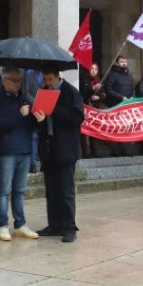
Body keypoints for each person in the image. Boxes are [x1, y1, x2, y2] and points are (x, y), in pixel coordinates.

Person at [33, 64, 84, 243]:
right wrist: (39, 118)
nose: (48, 83)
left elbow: (78, 117)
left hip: (66, 148)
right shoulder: (43, 92)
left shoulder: (70, 92)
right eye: (45, 80)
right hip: (49, 148)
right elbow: (39, 120)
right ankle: (54, 224)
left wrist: (54, 108)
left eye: (50, 79)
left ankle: (69, 227)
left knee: (66, 190)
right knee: (52, 190)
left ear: (57, 76)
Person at [0, 68, 39, 241]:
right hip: (7, 151)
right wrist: (19, 114)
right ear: (4, 81)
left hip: (25, 149)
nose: (18, 83)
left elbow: (31, 126)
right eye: (14, 80)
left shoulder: (24, 99)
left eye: (20, 80)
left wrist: (38, 119)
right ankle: (2, 225)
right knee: (4, 190)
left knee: (20, 190)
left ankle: (20, 224)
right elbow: (0, 125)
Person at [23, 68, 43, 172]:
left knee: (44, 137)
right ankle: (32, 164)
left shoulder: (47, 74)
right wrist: (36, 103)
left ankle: (44, 163)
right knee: (34, 137)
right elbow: (25, 92)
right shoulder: (29, 74)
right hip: (33, 110)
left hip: (45, 111)